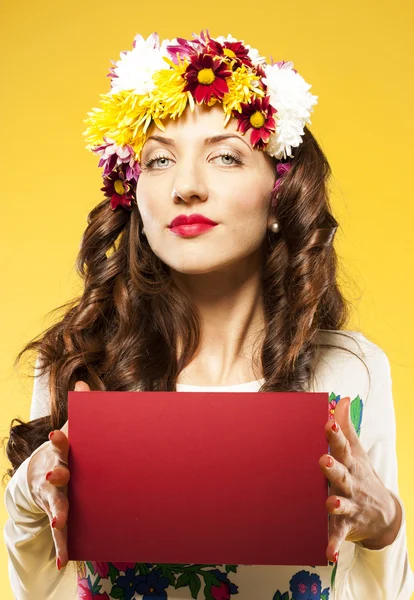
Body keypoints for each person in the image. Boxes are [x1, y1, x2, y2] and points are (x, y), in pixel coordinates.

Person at [2, 29, 414, 600]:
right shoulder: (79, 363)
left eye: (224, 156)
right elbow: (40, 589)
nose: (186, 187)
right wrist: (29, 492)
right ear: (134, 196)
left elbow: (382, 592)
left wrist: (383, 522)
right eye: (159, 160)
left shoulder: (350, 372)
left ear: (280, 196)